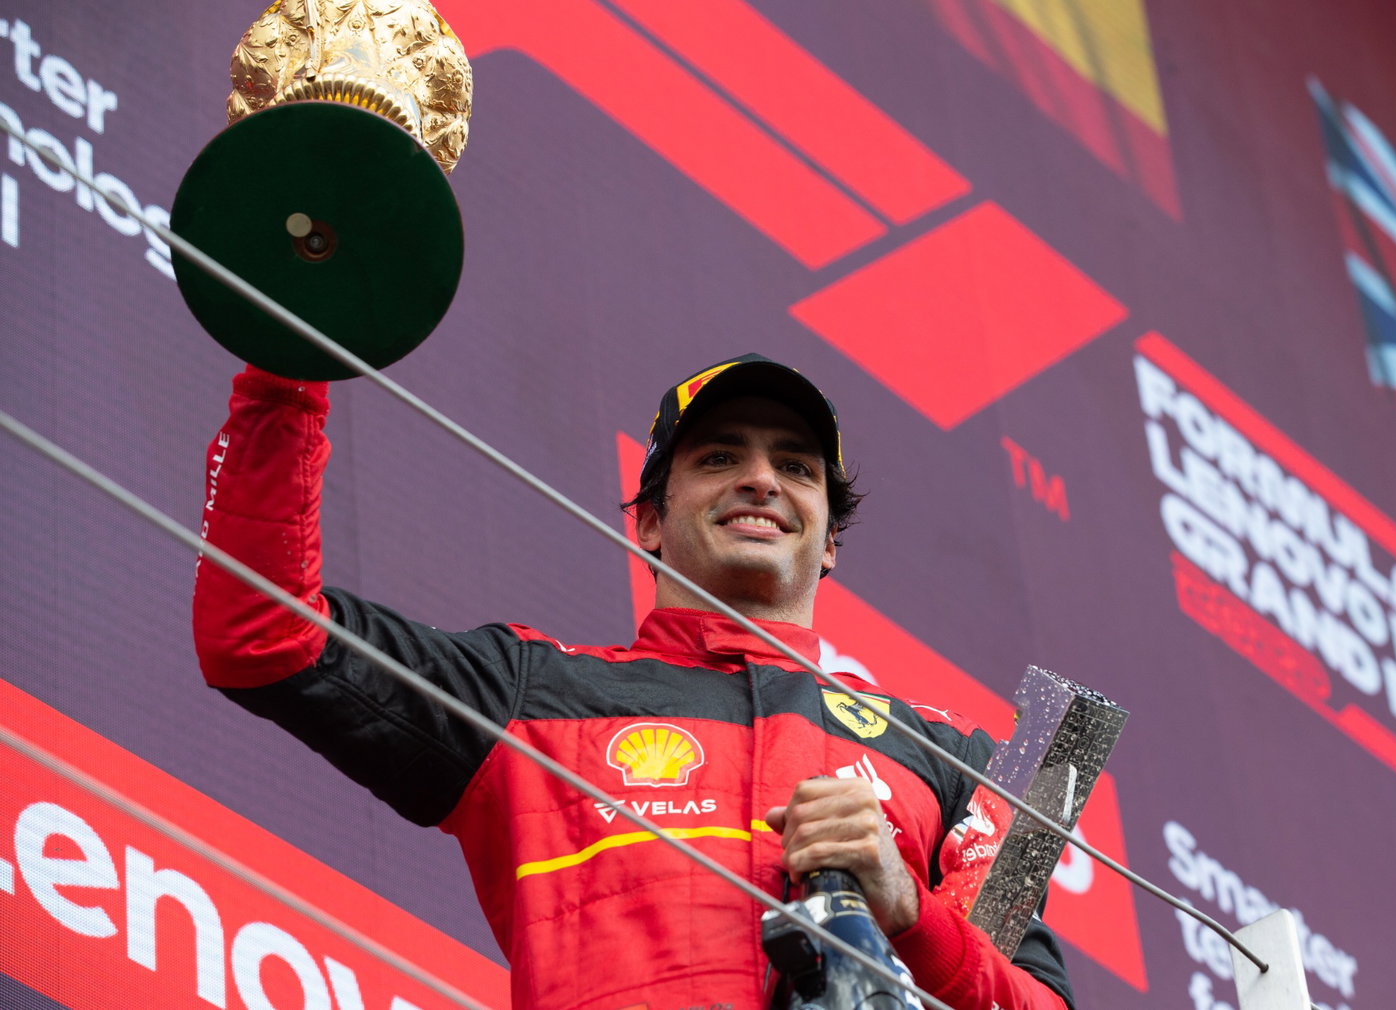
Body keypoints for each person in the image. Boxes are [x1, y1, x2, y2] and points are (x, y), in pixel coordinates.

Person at [193, 354, 1075, 1010]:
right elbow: (263, 633)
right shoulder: (533, 691)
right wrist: (283, 373)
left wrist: (905, 907)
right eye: (720, 456)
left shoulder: (953, 758)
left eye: (797, 466)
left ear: (830, 541)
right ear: (650, 522)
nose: (762, 478)